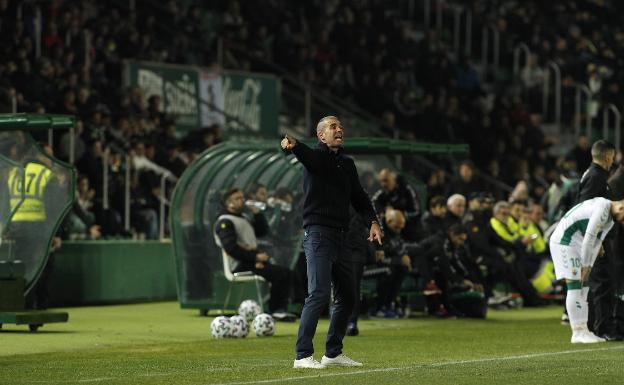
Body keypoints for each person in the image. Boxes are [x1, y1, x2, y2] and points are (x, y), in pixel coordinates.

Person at [281, 116, 382, 369]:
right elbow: (311, 159)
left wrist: (373, 221)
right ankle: (302, 356)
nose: (339, 129)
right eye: (333, 127)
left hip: (341, 236)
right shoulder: (317, 157)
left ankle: (333, 353)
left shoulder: (347, 164)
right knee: (319, 294)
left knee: (348, 296)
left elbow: (359, 197)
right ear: (321, 136)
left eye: (340, 126)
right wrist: (295, 145)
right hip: (318, 235)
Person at [549, 197, 624, 343]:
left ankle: (584, 330)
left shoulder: (610, 218)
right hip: (564, 241)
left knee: (584, 287)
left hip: (575, 243)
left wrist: (589, 264)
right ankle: (577, 332)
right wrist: (586, 265)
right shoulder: (602, 208)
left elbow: (597, 241)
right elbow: (589, 238)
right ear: (622, 208)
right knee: (575, 287)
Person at [213, 188, 293, 320]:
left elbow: (262, 232)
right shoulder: (225, 221)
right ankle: (276, 310)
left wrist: (257, 214)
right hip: (240, 265)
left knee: (286, 272)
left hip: (251, 262)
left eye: (242, 198)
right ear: (229, 203)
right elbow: (231, 249)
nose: (242, 201)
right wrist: (255, 257)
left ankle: (280, 309)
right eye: (237, 199)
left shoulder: (243, 217)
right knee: (281, 274)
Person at [577, 140, 621, 340]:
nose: (613, 160)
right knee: (602, 283)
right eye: (612, 156)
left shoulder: (593, 175)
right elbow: (587, 212)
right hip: (597, 241)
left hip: (598, 239)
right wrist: (598, 243)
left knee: (603, 283)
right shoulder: (596, 177)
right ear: (607, 156)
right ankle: (603, 329)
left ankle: (598, 327)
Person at [372, 168, 421, 240]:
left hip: (411, 231)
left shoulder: (407, 189)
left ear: (393, 178)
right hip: (392, 235)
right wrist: (384, 211)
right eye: (381, 181)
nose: (383, 184)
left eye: (386, 180)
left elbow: (417, 212)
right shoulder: (382, 192)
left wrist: (400, 215)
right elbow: (372, 203)